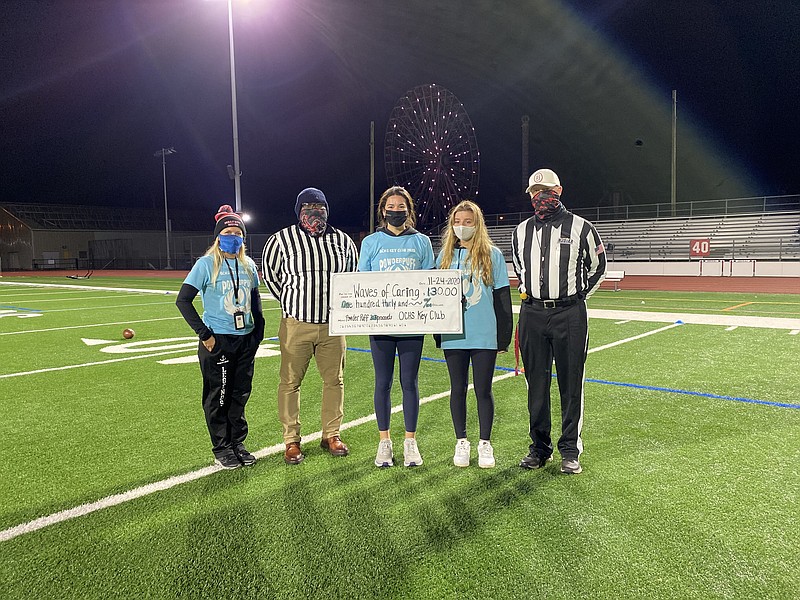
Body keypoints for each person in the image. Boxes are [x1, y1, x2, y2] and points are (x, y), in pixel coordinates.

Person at [512, 168, 606, 475]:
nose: (542, 196)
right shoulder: (521, 231)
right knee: (535, 385)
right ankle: (540, 448)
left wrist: (576, 298)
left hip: (569, 314)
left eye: (548, 190)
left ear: (560, 190)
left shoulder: (582, 227)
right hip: (532, 313)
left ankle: (570, 449)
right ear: (530, 195)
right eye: (536, 192)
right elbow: (520, 268)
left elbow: (598, 266)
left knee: (570, 382)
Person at [262, 188, 359, 465]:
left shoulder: (342, 240)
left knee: (334, 381)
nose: (315, 211)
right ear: (298, 210)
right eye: (308, 206)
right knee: (290, 383)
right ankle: (291, 440)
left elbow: (351, 276)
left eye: (320, 206)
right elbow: (271, 277)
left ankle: (332, 434)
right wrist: (294, 305)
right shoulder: (281, 240)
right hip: (296, 324)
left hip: (333, 325)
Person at [176, 205, 264, 469]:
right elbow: (183, 301)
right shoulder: (205, 265)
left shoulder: (248, 264)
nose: (233, 236)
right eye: (227, 232)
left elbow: (255, 300)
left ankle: (238, 443)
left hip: (245, 340)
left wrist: (258, 331)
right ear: (218, 237)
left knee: (240, 395)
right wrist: (205, 334)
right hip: (218, 341)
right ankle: (221, 447)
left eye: (238, 232)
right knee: (220, 396)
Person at [358, 186, 435, 468]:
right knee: (383, 383)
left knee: (409, 383)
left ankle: (410, 442)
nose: (396, 210)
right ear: (383, 210)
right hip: (381, 324)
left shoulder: (422, 242)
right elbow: (362, 283)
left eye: (401, 206)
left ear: (408, 209)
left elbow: (430, 282)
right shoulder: (371, 242)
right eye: (391, 205)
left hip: (412, 325)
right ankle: (384, 442)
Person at [436, 200, 513, 468]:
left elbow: (503, 299)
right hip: (453, 335)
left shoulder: (493, 255)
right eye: (457, 222)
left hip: (484, 335)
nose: (462, 227)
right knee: (457, 389)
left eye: (468, 222)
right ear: (451, 225)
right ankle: (461, 441)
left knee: (483, 389)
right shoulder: (444, 257)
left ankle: (485, 443)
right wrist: (438, 333)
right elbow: (436, 299)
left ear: (477, 224)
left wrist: (504, 336)